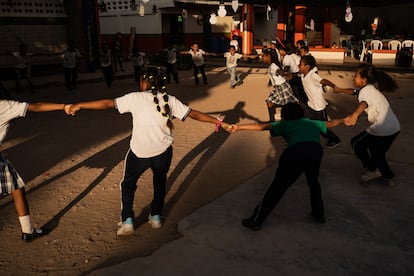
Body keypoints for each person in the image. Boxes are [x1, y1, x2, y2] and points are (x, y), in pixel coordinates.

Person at [65, 66, 231, 235]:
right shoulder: (169, 100)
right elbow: (193, 113)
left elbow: (107, 103)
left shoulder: (135, 98)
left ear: (143, 82)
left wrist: (80, 105)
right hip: (163, 153)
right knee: (159, 184)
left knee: (128, 184)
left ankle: (128, 220)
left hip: (139, 153)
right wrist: (218, 122)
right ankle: (156, 216)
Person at [229, 103, 345, 230]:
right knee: (313, 182)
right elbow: (331, 124)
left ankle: (257, 220)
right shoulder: (312, 122)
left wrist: (239, 128)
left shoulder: (284, 124)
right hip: (315, 151)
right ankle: (319, 214)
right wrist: (344, 119)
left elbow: (262, 126)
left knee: (278, 186)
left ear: (285, 116)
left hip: (295, 153)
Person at [0, 98, 69, 241]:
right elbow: (35, 107)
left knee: (16, 187)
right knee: (17, 188)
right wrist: (62, 106)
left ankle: (28, 230)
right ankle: (28, 230)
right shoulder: (4, 106)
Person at [333, 63, 400, 185]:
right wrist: (340, 90)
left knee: (356, 143)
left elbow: (364, 103)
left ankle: (373, 169)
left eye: (356, 76)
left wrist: (354, 115)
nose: (353, 78)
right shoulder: (369, 87)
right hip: (394, 128)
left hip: (382, 128)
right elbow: (355, 92)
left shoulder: (365, 93)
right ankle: (387, 175)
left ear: (363, 80)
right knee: (377, 152)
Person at [299, 55, 341, 149]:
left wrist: (334, 86)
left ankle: (335, 140)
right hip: (311, 105)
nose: (298, 66)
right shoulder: (303, 74)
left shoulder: (313, 76)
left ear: (307, 66)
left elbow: (323, 80)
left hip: (319, 107)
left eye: (301, 64)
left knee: (323, 127)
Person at [262, 49, 298, 122]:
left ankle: (279, 119)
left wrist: (285, 74)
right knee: (270, 102)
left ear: (268, 56)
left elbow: (279, 71)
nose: (262, 58)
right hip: (278, 87)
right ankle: (272, 120)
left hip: (282, 87)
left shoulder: (273, 66)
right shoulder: (271, 65)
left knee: (285, 104)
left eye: (263, 56)